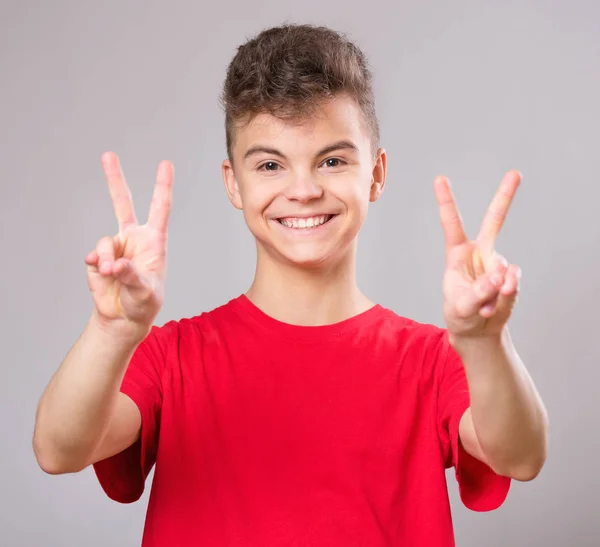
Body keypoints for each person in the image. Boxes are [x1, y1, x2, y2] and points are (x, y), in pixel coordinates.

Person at [32, 23, 548, 547]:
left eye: (332, 160)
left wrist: (486, 343)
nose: (303, 190)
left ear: (376, 174)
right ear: (234, 182)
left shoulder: (434, 360)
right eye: (271, 165)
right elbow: (58, 450)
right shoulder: (171, 357)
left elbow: (520, 457)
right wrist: (111, 329)